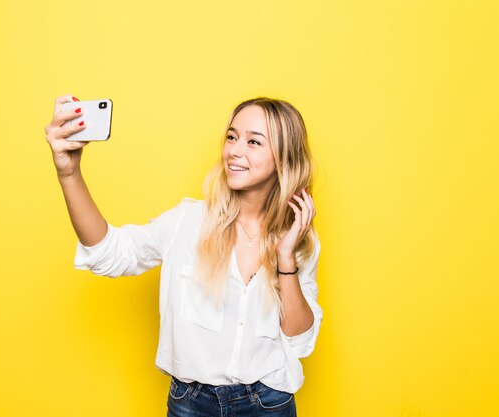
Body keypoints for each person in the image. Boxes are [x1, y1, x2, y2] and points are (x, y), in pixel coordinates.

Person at [44, 95, 322, 417]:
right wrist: (69, 173)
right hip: (192, 405)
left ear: (284, 158)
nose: (235, 150)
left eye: (254, 141)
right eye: (232, 136)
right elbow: (109, 253)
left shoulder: (300, 240)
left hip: (269, 404)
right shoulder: (187, 222)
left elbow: (300, 341)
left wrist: (285, 259)